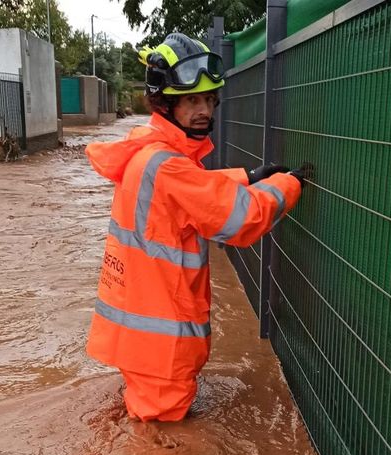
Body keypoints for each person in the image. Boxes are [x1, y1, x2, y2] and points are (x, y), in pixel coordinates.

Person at [84, 33, 310, 422]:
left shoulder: (148, 153)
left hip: (139, 336)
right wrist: (288, 185)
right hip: (163, 344)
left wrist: (248, 175)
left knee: (143, 425)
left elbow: (192, 194)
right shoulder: (169, 166)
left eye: (209, 100)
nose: (204, 109)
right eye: (192, 100)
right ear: (167, 104)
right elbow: (241, 221)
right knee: (164, 452)